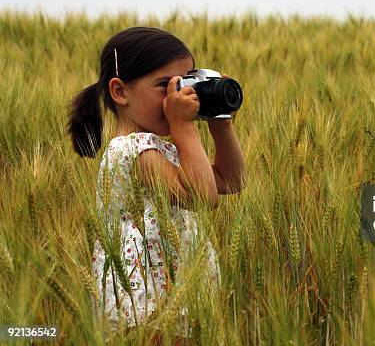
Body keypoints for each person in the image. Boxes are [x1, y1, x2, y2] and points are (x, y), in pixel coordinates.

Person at [66, 26, 245, 341]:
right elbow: (204, 198)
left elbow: (231, 181)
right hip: (145, 296)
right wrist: (182, 124)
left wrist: (220, 121)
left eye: (186, 84)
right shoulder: (133, 151)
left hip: (176, 284)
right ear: (120, 92)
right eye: (165, 86)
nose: (179, 96)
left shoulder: (160, 147)